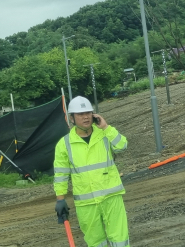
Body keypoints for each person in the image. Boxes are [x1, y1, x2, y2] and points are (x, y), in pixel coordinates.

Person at [54, 96, 129, 247]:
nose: (85, 117)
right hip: (86, 202)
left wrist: (106, 127)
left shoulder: (104, 134)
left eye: (88, 113)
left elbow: (122, 146)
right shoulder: (64, 144)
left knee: (120, 238)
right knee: (95, 242)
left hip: (111, 197)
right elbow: (61, 174)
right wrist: (60, 199)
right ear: (72, 118)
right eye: (80, 114)